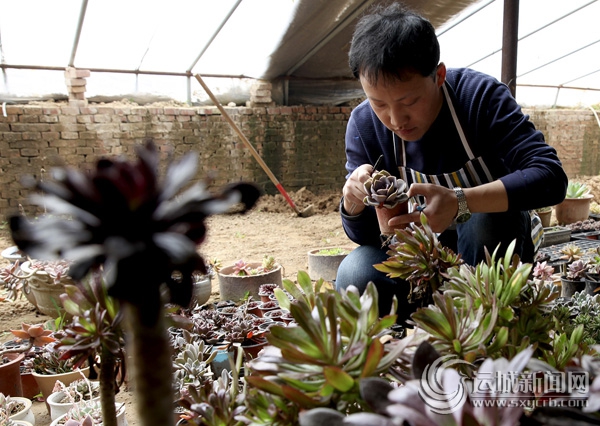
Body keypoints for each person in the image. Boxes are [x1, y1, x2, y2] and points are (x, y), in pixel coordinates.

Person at [335, 2, 567, 324]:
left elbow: (550, 177)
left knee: (483, 220)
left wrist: (460, 202)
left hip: (491, 251)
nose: (395, 119)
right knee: (356, 271)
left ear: (439, 75)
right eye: (378, 103)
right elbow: (367, 237)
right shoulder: (365, 126)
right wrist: (353, 201)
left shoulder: (479, 98)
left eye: (410, 101)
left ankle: (486, 323)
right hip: (422, 258)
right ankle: (416, 332)